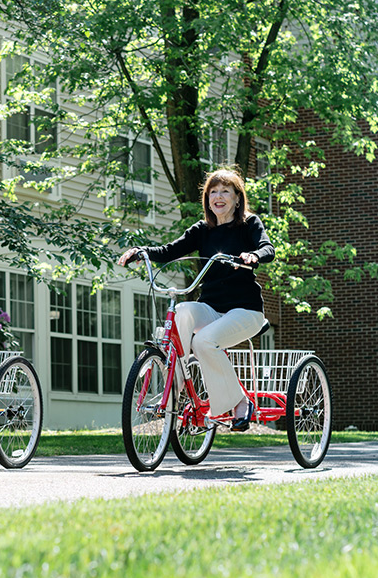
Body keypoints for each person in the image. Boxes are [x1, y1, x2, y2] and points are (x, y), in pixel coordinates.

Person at [118, 168, 275, 431]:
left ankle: (239, 403)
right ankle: (177, 384)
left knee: (203, 341)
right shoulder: (203, 230)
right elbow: (170, 250)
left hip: (245, 311)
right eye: (213, 192)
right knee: (182, 311)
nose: (218, 196)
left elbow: (267, 247)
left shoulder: (249, 224)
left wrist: (254, 256)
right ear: (207, 199)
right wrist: (140, 251)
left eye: (225, 191)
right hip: (211, 308)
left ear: (237, 198)